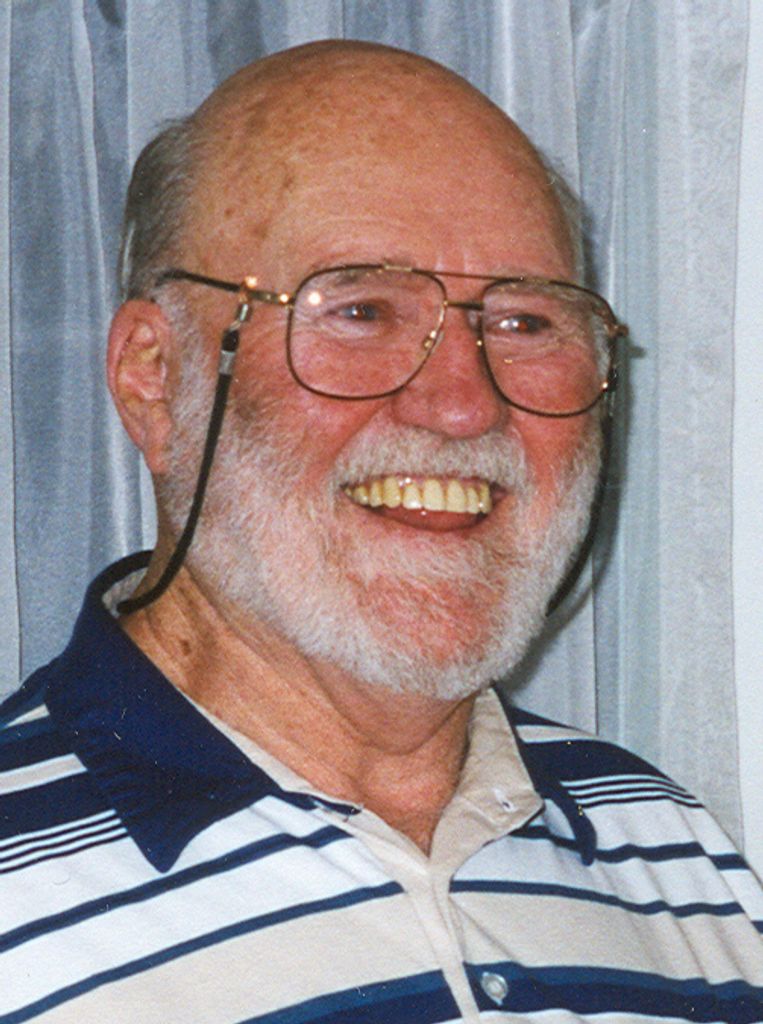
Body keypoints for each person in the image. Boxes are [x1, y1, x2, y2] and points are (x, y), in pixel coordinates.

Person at [0, 39, 761, 1023]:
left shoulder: (672, 859)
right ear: (154, 376)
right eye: (359, 310)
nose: (462, 405)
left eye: (525, 323)